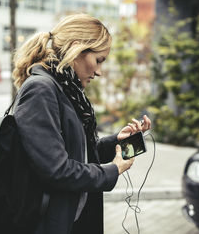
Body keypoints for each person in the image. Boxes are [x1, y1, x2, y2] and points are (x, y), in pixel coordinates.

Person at [12, 13, 151, 234]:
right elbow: (57, 170)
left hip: (70, 221)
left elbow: (77, 154)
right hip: (47, 224)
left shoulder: (67, 90)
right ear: (76, 48)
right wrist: (112, 170)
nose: (99, 72)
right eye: (98, 60)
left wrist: (117, 142)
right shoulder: (41, 89)